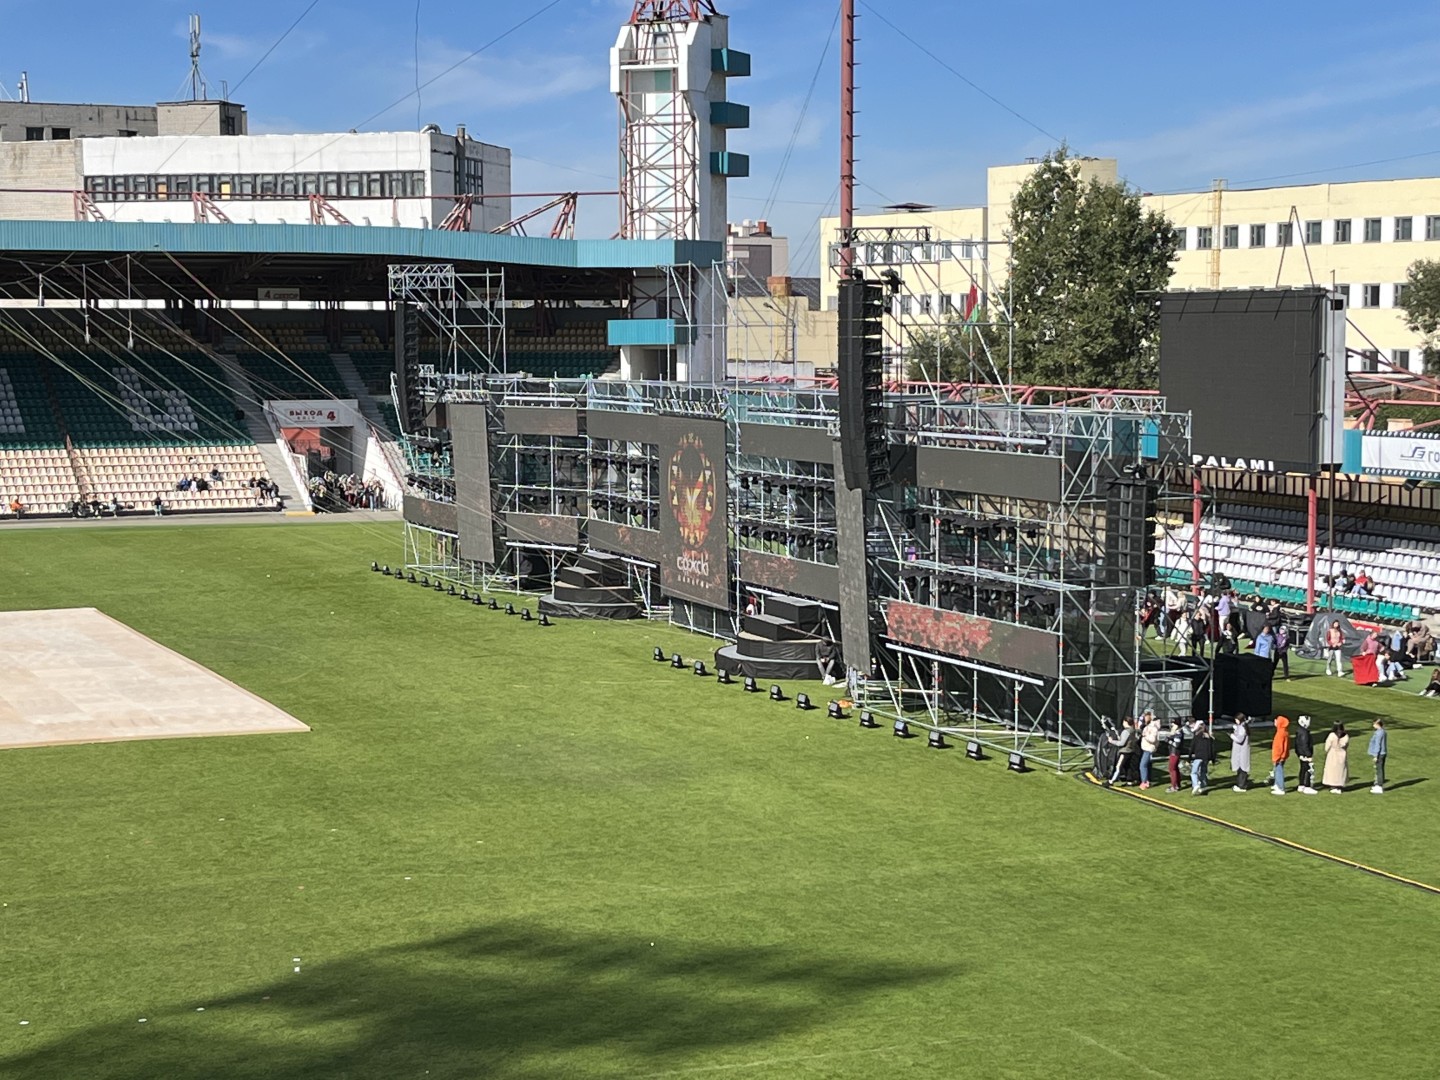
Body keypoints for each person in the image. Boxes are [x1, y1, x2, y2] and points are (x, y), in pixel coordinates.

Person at [1105, 717, 1137, 787]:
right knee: (1127, 767)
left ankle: (1111, 781)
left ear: (1126, 722)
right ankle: (1129, 781)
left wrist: (1112, 741)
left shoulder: (1126, 731)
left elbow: (1121, 743)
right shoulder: (1133, 730)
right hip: (1131, 751)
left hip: (1124, 751)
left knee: (1118, 766)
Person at [1322, 723, 1349, 794]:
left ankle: (1333, 786)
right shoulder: (1345, 736)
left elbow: (1327, 746)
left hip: (1332, 754)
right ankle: (1339, 785)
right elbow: (1346, 745)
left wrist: (1327, 751)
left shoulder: (1332, 735)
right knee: (1340, 771)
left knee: (1332, 770)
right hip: (1342, 755)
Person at [1190, 720, 1214, 795]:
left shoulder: (1197, 736)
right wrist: (1212, 758)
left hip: (1198, 756)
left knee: (1194, 772)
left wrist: (1189, 757)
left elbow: (1192, 747)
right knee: (1203, 772)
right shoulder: (1208, 737)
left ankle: (1196, 785)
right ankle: (1203, 786)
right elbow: (1211, 748)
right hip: (1206, 757)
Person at [1295, 715, 1318, 795]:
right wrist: (1308, 755)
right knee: (1308, 769)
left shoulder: (1300, 731)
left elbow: (1297, 744)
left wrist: (1299, 753)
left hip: (1301, 754)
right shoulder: (1304, 733)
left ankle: (1301, 784)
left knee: (1303, 769)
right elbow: (1304, 745)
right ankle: (1307, 786)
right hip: (1305, 754)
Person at [1138, 711, 1160, 790]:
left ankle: (1144, 782)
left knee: (1142, 765)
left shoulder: (1153, 728)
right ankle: (1147, 780)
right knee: (1147, 765)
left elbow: (1153, 739)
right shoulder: (1147, 726)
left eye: (1146, 716)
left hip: (1149, 749)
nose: (1145, 718)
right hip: (1145, 748)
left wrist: (1145, 736)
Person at [1270, 715, 1291, 795]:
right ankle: (1277, 784)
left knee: (1279, 770)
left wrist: (1276, 757)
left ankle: (1281, 788)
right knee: (1277, 770)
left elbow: (1279, 747)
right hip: (1283, 755)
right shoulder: (1285, 732)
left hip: (1279, 756)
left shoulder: (1280, 733)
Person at [1230, 714, 1252, 792]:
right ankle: (1241, 784)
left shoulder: (1242, 728)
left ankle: (1241, 786)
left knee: (1242, 768)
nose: (1235, 721)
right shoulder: (1242, 726)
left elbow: (1240, 739)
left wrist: (1232, 736)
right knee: (1241, 768)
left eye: (1236, 719)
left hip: (1241, 752)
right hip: (1241, 752)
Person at [1165, 719, 1185, 793]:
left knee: (1172, 769)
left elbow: (1176, 744)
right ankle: (1177, 785)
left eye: (1173, 724)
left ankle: (1174, 786)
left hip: (1175, 753)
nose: (1172, 725)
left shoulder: (1178, 733)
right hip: (1174, 752)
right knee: (1175, 768)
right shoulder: (1176, 732)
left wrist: (1169, 741)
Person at [1368, 719, 1388, 794]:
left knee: (1379, 769)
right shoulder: (1382, 732)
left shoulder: (1379, 733)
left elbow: (1378, 745)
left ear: (1377, 724)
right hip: (1382, 753)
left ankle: (1379, 786)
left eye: (1374, 724)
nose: (1373, 725)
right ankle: (1377, 784)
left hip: (1379, 754)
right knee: (1379, 769)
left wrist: (1376, 755)